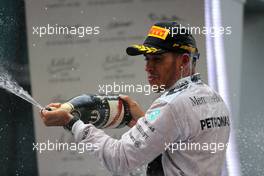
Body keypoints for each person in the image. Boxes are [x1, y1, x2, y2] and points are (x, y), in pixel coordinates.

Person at [40, 21, 230, 176]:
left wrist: (73, 123)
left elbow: (119, 159)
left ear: (184, 61)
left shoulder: (172, 105)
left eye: (157, 59)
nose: (148, 67)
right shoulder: (214, 99)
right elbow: (182, 145)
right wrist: (141, 120)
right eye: (146, 59)